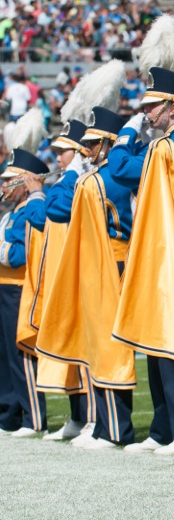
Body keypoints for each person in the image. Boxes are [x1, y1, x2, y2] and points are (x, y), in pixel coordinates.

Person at [110, 65, 174, 457]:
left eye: (152, 106)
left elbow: (119, 169)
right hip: (160, 249)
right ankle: (164, 427)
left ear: (172, 107)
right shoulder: (166, 142)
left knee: (173, 341)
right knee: (155, 338)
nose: (146, 113)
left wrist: (128, 131)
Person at [38, 107, 137, 451]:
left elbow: (56, 207)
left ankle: (113, 428)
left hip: (110, 263)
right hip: (111, 260)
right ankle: (104, 425)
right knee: (102, 345)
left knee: (107, 347)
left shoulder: (98, 179)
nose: (86, 150)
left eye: (92, 143)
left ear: (109, 144)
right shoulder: (101, 176)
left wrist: (72, 178)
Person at [22, 120, 97, 442]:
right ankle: (81, 416)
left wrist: (38, 193)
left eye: (63, 152)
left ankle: (95, 419)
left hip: (85, 269)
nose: (59, 159)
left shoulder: (78, 180)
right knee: (71, 348)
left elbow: (48, 214)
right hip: (66, 271)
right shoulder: (70, 180)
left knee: (88, 349)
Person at [0, 146, 49, 437]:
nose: (4, 187)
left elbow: (20, 255)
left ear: (23, 182)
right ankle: (8, 414)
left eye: (9, 181)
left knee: (21, 355)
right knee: (4, 357)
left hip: (18, 290)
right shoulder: (9, 215)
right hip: (3, 288)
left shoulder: (24, 213)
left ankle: (33, 417)